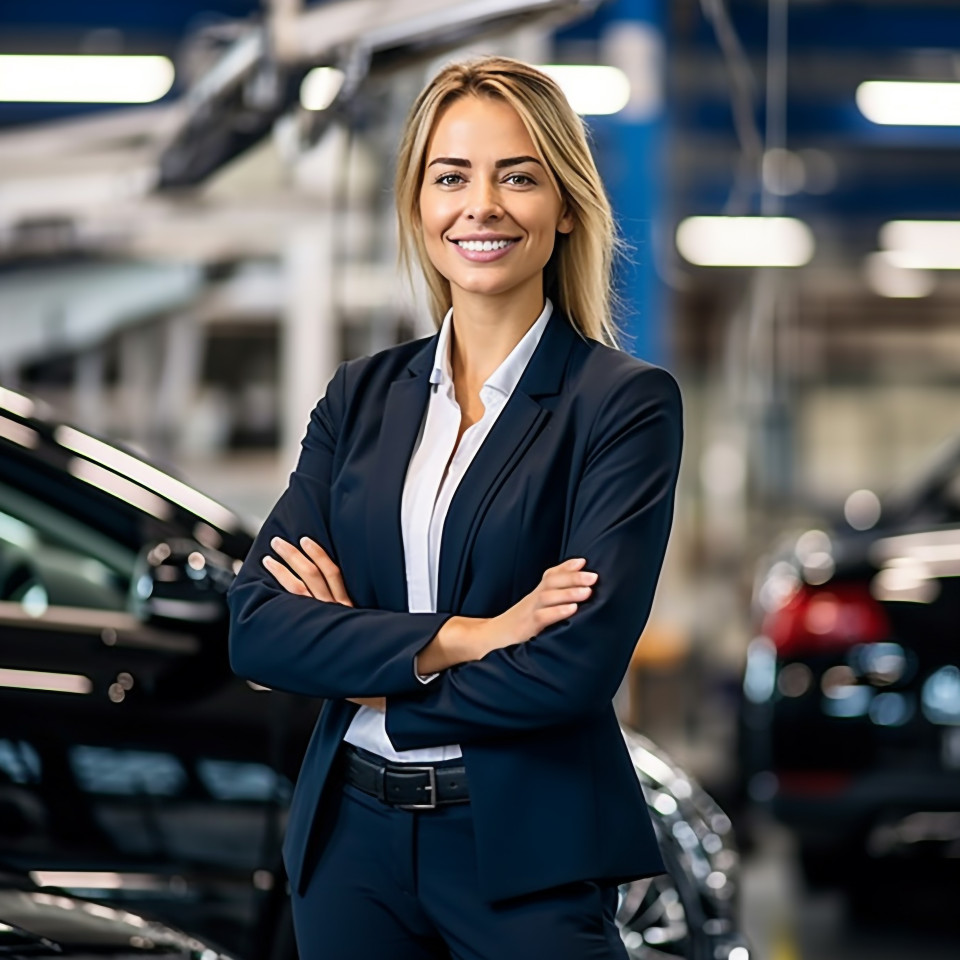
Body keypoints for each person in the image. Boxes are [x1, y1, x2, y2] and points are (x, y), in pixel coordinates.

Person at [228, 55, 683, 960]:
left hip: (522, 851)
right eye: (452, 176)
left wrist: (367, 670)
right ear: (419, 206)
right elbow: (258, 627)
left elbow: (572, 669)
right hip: (350, 847)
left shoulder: (621, 404)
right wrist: (469, 636)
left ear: (564, 209)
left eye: (518, 175)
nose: (482, 204)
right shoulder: (359, 400)